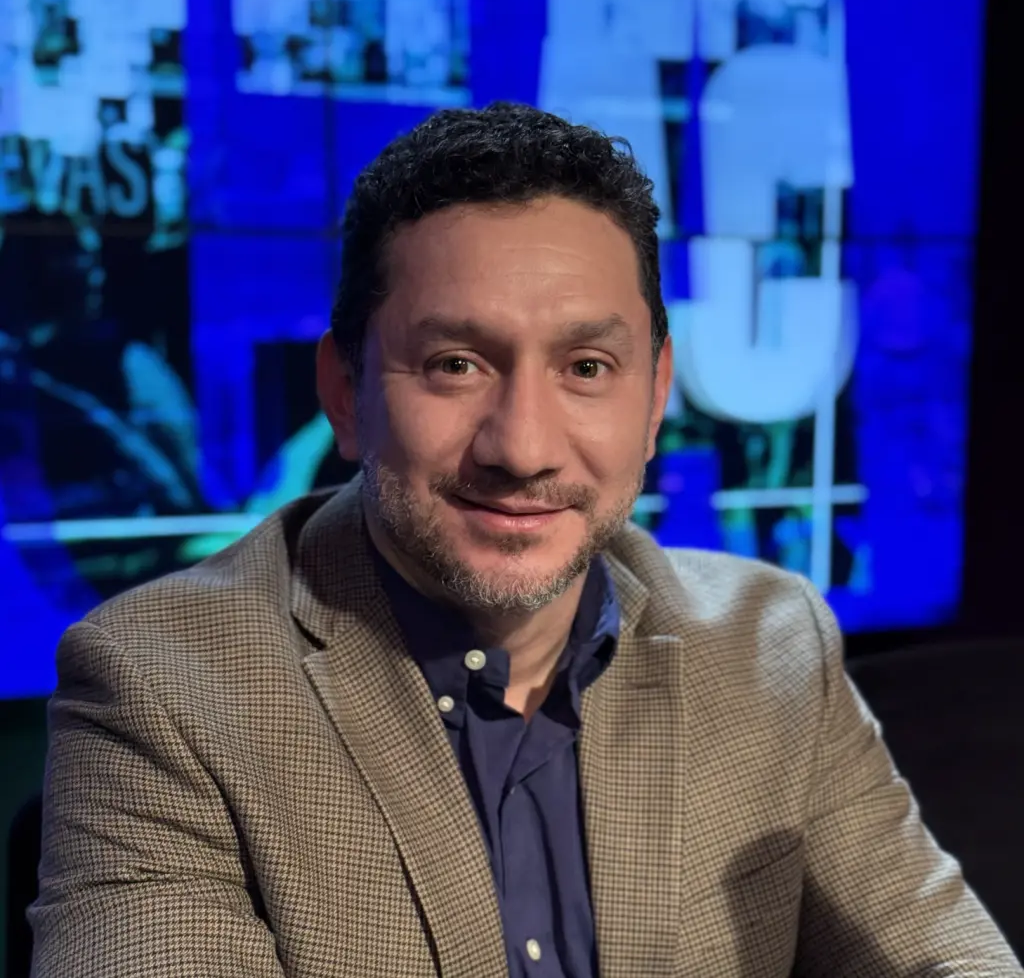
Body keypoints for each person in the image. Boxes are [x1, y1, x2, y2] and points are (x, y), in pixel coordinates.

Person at [30, 103, 1021, 978]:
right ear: (344, 390)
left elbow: (940, 951)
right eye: (455, 364)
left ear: (654, 397)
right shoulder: (162, 687)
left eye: (587, 367)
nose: (524, 448)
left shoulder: (772, 643)